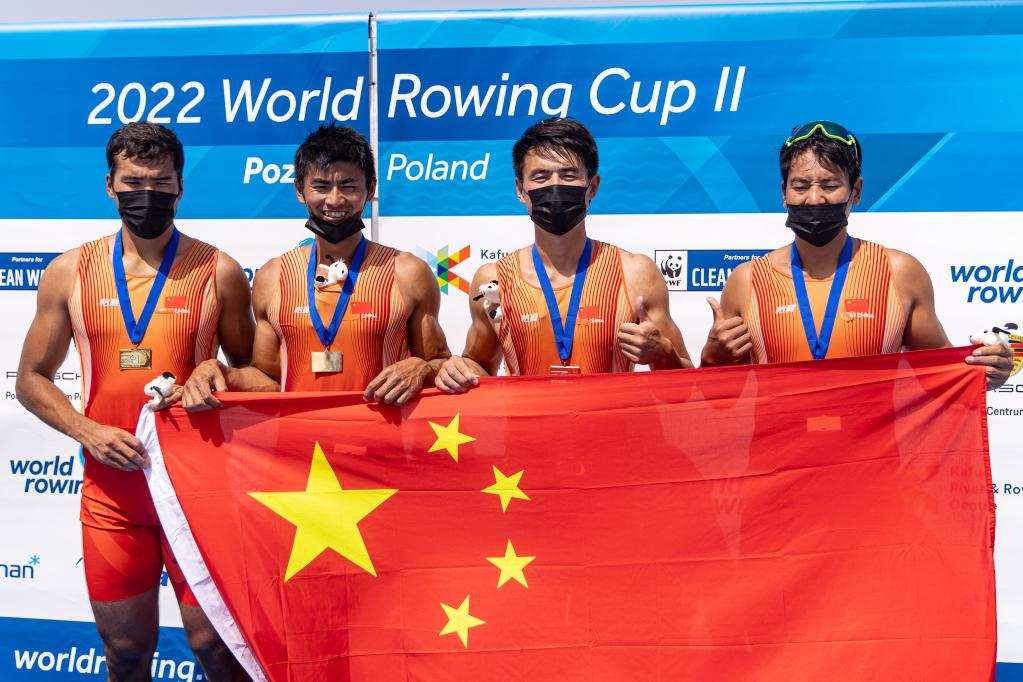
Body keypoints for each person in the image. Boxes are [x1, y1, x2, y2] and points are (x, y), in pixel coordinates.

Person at [16, 123, 254, 680]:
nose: (147, 194)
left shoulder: (218, 270)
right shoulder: (68, 272)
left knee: (217, 647)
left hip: (196, 487)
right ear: (110, 185)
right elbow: (30, 379)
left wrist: (219, 372)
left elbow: (259, 376)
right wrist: (87, 430)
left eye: (160, 183)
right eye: (133, 183)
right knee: (124, 651)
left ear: (180, 187)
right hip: (113, 490)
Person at [699, 119, 1014, 388]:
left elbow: (944, 377)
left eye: (829, 185)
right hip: (778, 445)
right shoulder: (746, 281)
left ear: (857, 191)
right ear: (784, 193)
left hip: (877, 446)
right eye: (801, 186)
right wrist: (711, 360)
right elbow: (721, 402)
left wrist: (986, 371)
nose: (814, 199)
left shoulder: (899, 273)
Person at [178, 125, 449, 408]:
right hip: (297, 437)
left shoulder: (408, 273)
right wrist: (221, 372)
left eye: (348, 186)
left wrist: (423, 368)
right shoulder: (273, 276)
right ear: (299, 190)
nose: (334, 199)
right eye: (321, 186)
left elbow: (442, 364)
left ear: (370, 189)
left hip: (380, 436)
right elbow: (269, 379)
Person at [435, 117, 691, 391]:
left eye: (568, 175)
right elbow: (480, 365)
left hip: (610, 419)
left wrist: (664, 354)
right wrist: (457, 369)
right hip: (525, 420)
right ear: (520, 190)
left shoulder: (636, 273)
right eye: (541, 177)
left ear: (593, 186)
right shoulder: (494, 280)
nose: (555, 186)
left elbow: (689, 386)